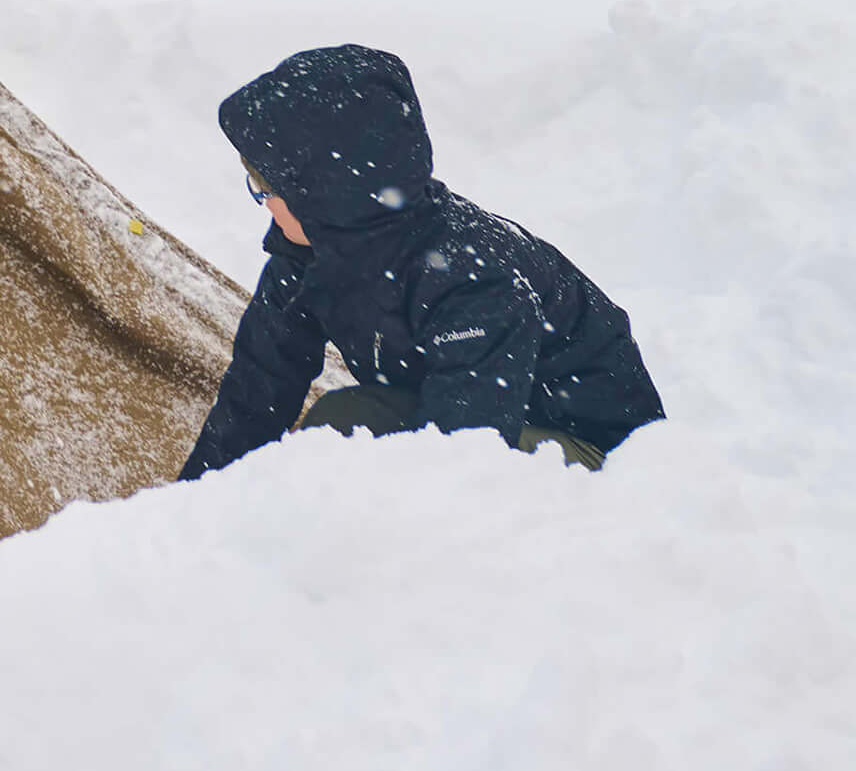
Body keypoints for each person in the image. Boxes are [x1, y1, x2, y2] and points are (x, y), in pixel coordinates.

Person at [181, 44, 664, 479]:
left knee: (354, 438)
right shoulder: (308, 256)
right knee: (350, 424)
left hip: (600, 467)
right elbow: (256, 394)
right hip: (496, 427)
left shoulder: (471, 279)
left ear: (322, 196)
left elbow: (465, 454)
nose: (262, 203)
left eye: (265, 190)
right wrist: (194, 515)